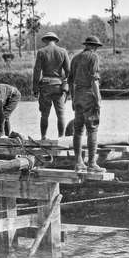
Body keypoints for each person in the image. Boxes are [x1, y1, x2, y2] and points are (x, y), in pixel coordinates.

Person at [67, 36, 105, 173]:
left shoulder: (76, 58)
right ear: (95, 46)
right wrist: (98, 99)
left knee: (78, 130)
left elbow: (70, 80)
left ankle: (78, 162)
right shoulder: (94, 57)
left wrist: (72, 98)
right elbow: (94, 80)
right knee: (92, 128)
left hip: (77, 96)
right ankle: (92, 163)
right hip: (89, 95)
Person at [32, 31, 70, 139]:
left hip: (45, 86)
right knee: (61, 114)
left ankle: (43, 137)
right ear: (55, 40)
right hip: (58, 86)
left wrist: (35, 88)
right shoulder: (62, 51)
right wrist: (67, 84)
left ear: (46, 40)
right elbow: (68, 72)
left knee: (44, 114)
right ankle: (61, 138)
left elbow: (37, 71)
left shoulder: (41, 52)